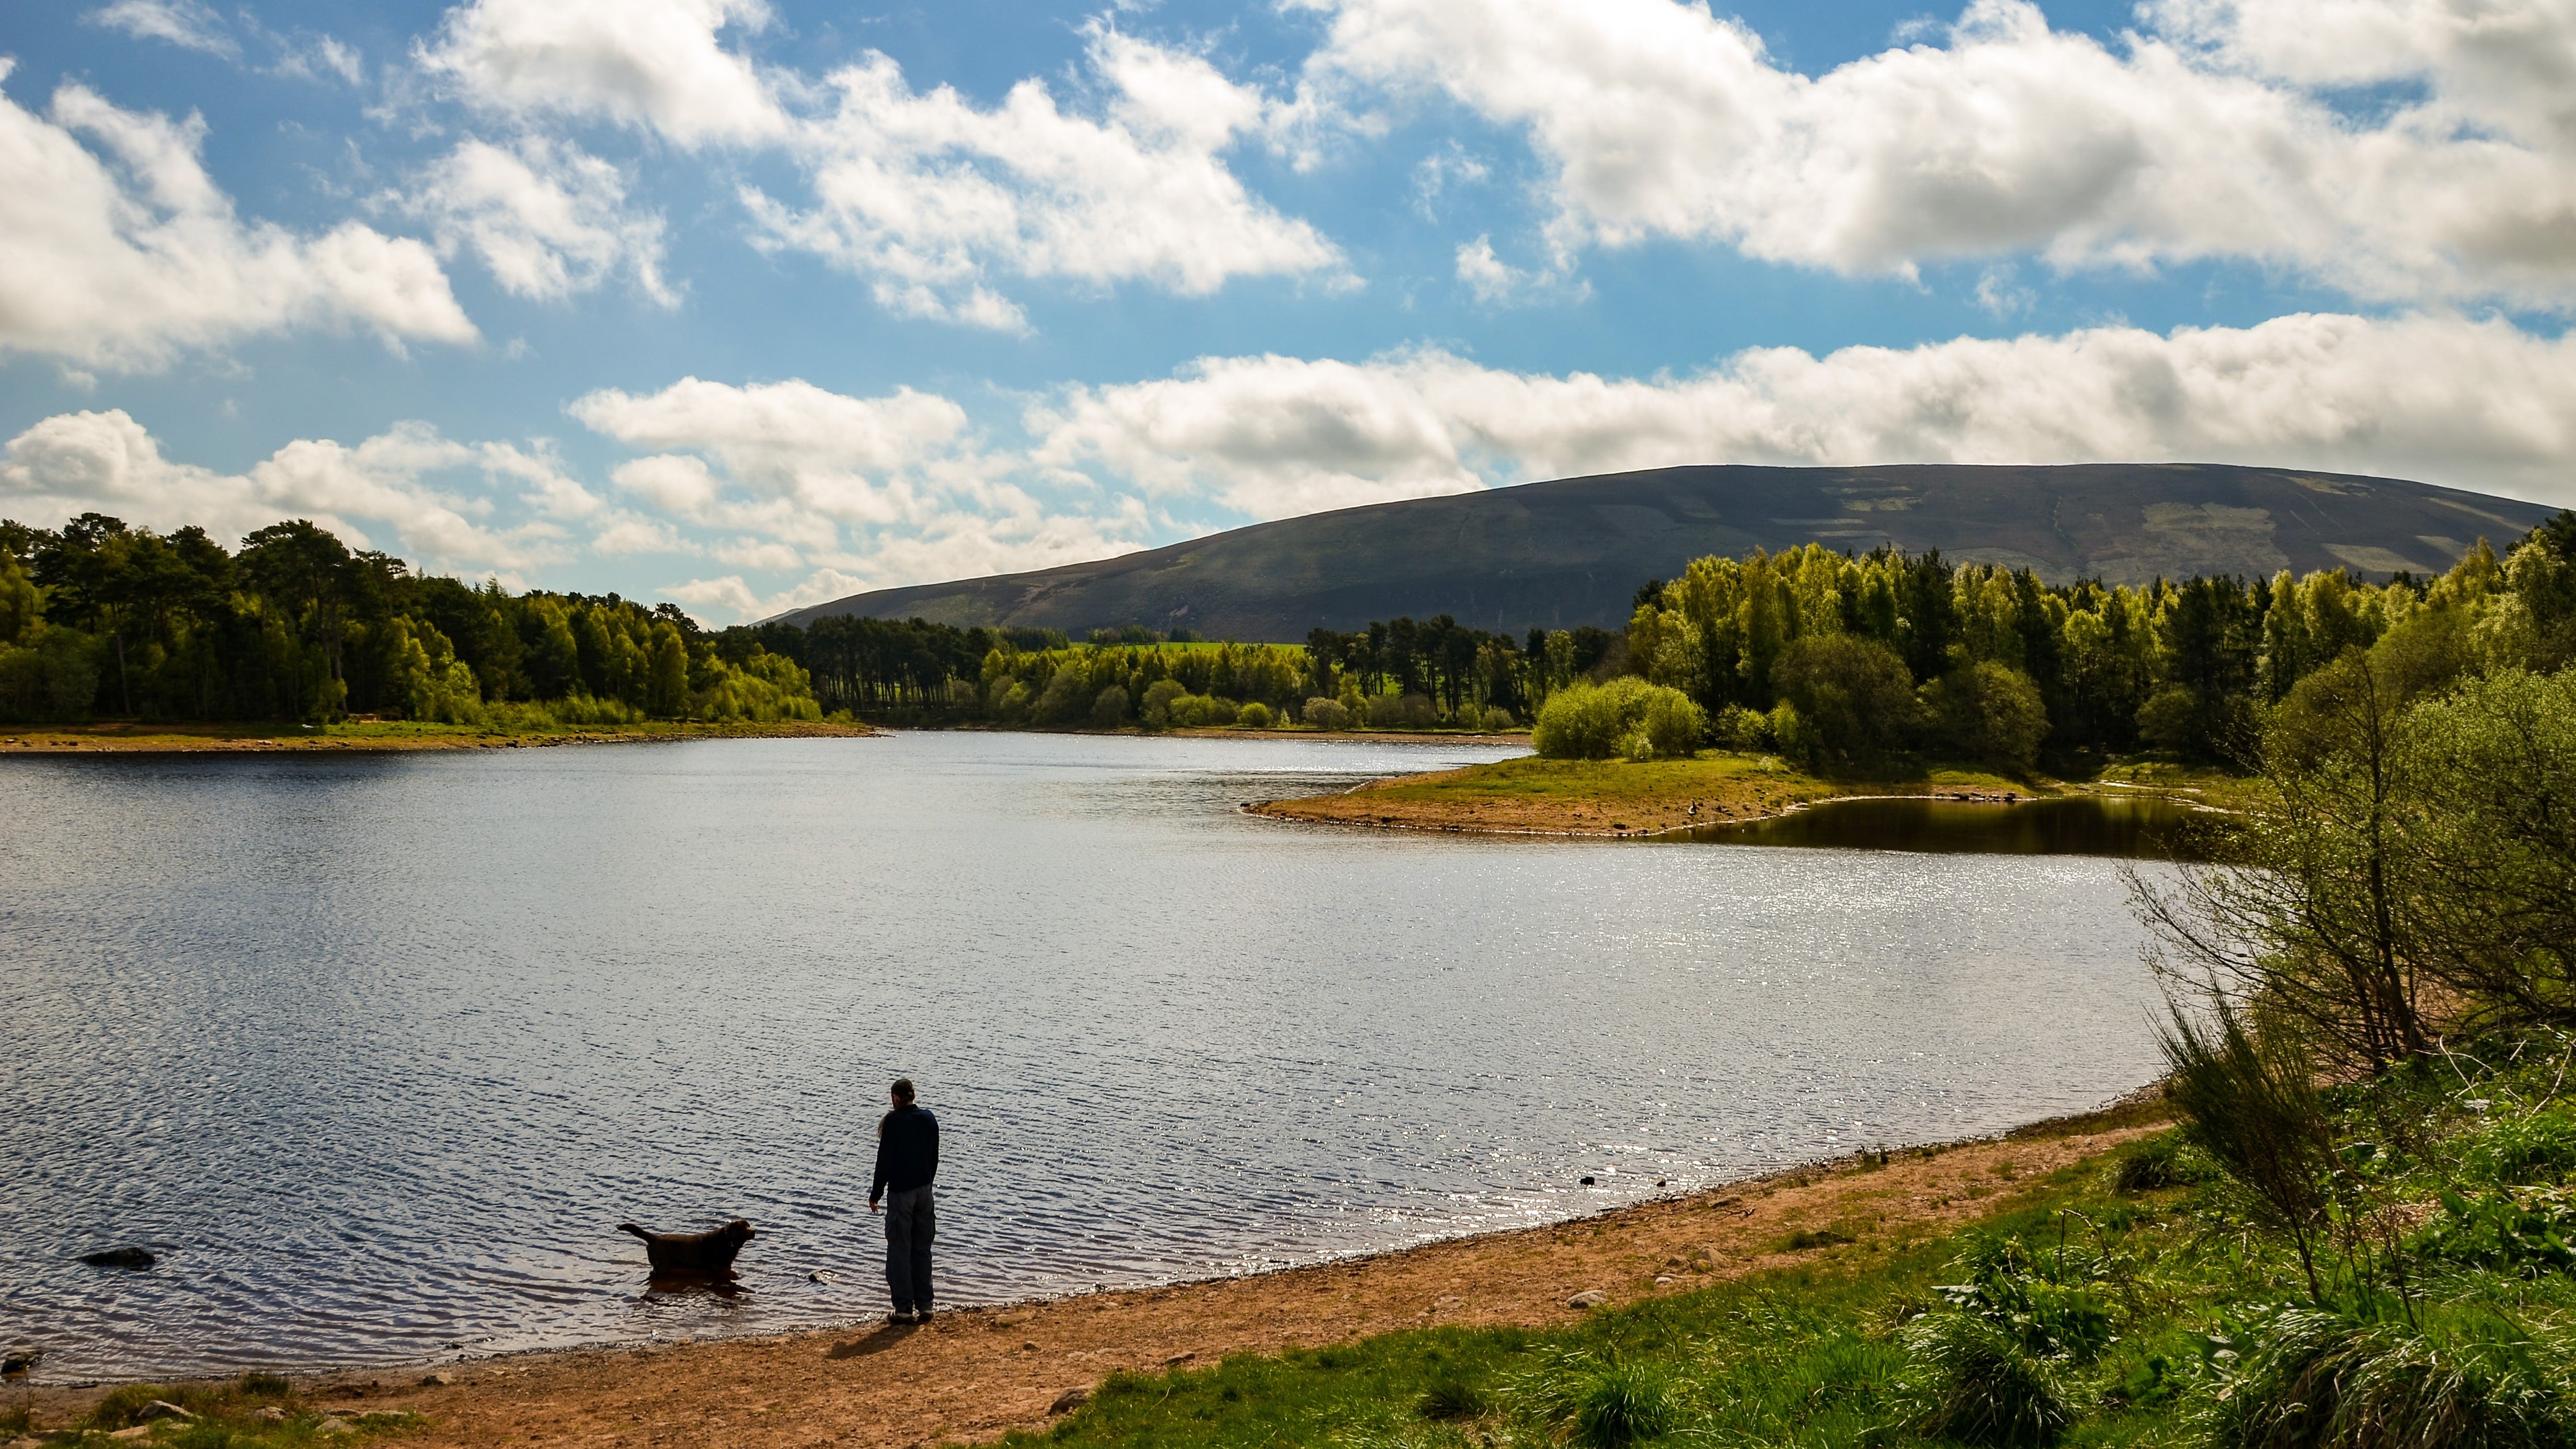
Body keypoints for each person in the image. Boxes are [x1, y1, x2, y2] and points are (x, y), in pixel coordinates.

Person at [867, 1077, 940, 1323]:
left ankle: (903, 1309)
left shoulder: (893, 1123)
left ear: (896, 1098)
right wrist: (927, 1181)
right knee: (922, 1248)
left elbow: (884, 1162)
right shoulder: (929, 1119)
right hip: (925, 1192)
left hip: (901, 1195)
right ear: (914, 1096)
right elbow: (934, 1157)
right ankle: (926, 1305)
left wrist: (875, 1194)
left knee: (899, 1249)